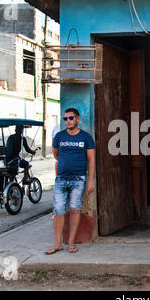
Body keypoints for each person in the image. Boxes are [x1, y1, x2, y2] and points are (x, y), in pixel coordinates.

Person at [46, 108, 95, 255]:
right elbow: (56, 154)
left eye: (71, 118)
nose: (68, 121)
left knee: (75, 209)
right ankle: (57, 243)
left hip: (78, 179)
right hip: (61, 179)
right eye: (65, 119)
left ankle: (71, 242)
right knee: (58, 211)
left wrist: (90, 181)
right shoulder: (59, 136)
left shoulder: (86, 137)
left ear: (77, 119)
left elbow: (91, 159)